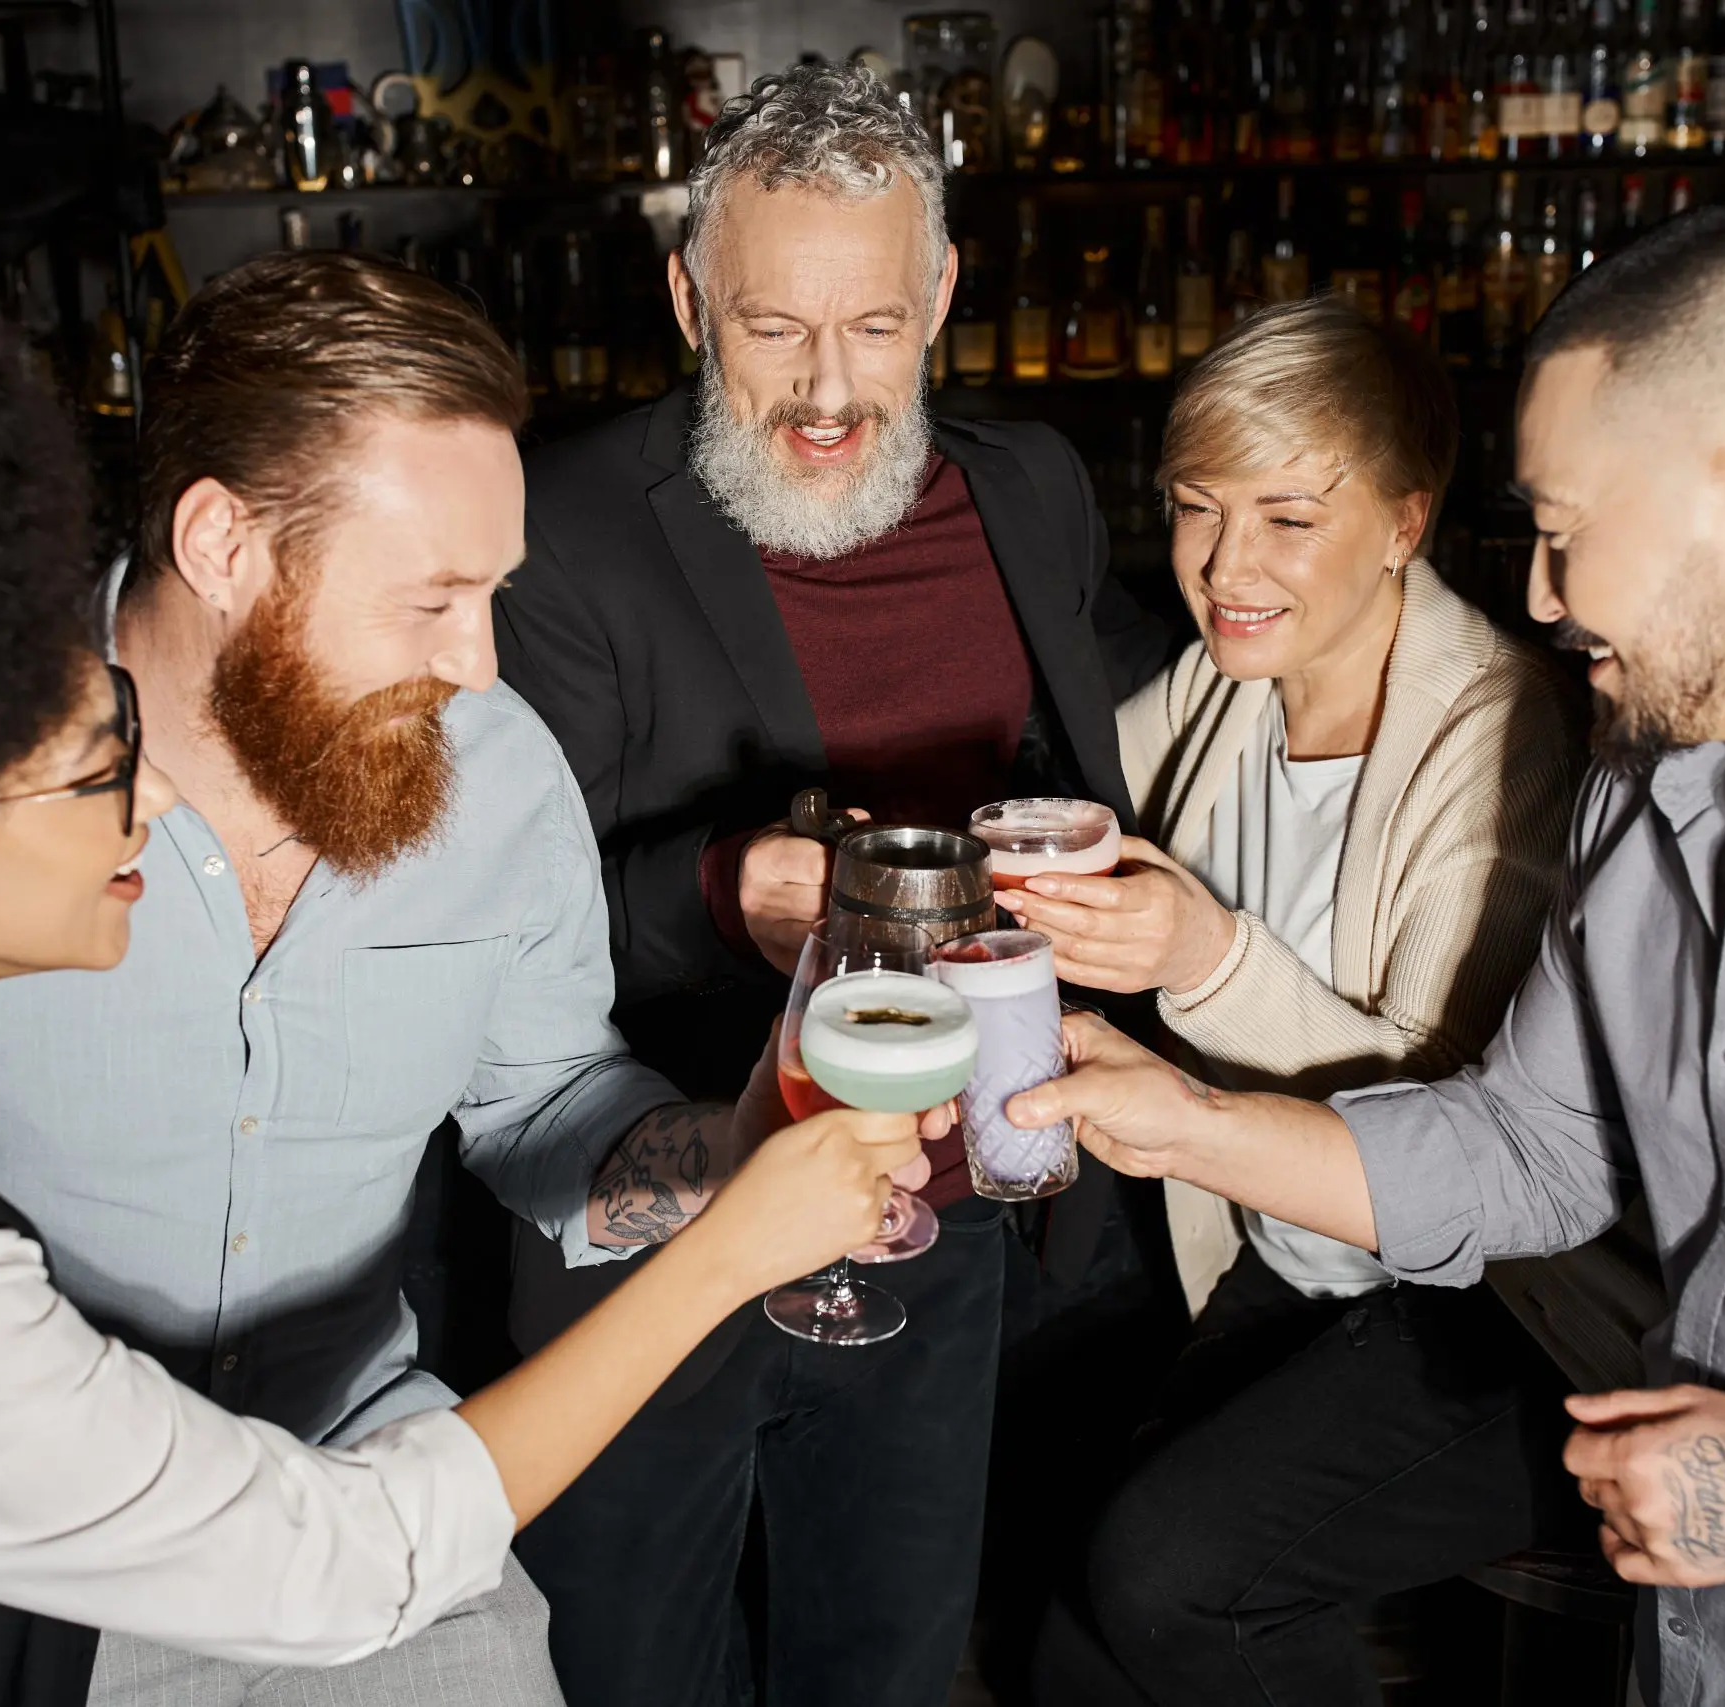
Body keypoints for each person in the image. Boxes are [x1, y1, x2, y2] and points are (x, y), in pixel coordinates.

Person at [0, 279, 927, 1707]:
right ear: (222, 541)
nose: (479, 665)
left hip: (362, 1453)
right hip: (11, 1554)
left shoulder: (498, 767)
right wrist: (728, 1256)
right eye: (430, 598)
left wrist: (730, 1163)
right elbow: (328, 1557)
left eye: (496, 594)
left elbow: (544, 1106)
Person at [1007, 201, 1725, 1705]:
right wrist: (1189, 1120)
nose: (1538, 596)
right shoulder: (1646, 794)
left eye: (1561, 530)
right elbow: (1527, 1151)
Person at [493, 63, 1173, 1707]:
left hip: (935, 1209)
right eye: (772, 328)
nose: (825, 389)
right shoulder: (563, 524)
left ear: (940, 293)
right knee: (635, 1670)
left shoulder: (1034, 489)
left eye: (872, 325)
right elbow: (494, 914)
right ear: (685, 300)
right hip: (660, 1198)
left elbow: (1085, 769)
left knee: (885, 1660)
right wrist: (730, 888)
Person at [1005, 297, 1616, 1705]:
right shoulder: (1238, 677)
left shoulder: (1503, 730)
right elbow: (1085, 808)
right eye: (1196, 509)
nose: (1225, 565)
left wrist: (1204, 955)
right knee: (1075, 1637)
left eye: (1287, 517)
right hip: (1291, 1261)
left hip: (1491, 1308)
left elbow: (1465, 1115)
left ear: (1406, 521)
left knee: (1163, 1581)